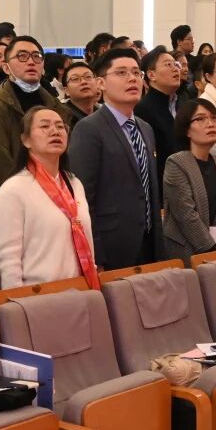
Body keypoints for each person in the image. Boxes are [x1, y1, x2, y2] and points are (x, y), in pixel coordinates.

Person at [69, 48, 165, 271]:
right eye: (121, 73)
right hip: (111, 247)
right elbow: (82, 199)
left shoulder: (146, 128)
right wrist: (97, 256)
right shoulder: (89, 129)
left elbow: (150, 192)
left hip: (149, 244)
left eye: (136, 73)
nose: (132, 78)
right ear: (101, 83)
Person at [0, 107, 97, 289]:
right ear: (25, 140)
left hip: (82, 289)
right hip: (40, 295)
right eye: (45, 126)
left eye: (60, 126)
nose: (55, 131)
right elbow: (8, 261)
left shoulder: (74, 183)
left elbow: (87, 241)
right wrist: (18, 300)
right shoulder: (13, 190)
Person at [0, 36, 67, 222]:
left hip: (59, 207)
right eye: (22, 56)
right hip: (13, 212)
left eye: (36, 56)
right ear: (6, 67)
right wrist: (40, 200)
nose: (31, 62)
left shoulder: (55, 107)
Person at [163, 98, 216, 264]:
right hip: (188, 251)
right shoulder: (177, 163)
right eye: (200, 119)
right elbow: (185, 213)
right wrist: (210, 250)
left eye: (215, 118)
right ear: (186, 129)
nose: (211, 124)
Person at [135, 48, 183, 173]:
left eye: (176, 64)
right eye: (168, 64)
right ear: (151, 75)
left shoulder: (182, 104)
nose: (175, 69)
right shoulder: (143, 109)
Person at [63, 60, 99, 126]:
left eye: (88, 76)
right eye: (75, 79)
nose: (83, 82)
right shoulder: (63, 117)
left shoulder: (105, 114)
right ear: (66, 91)